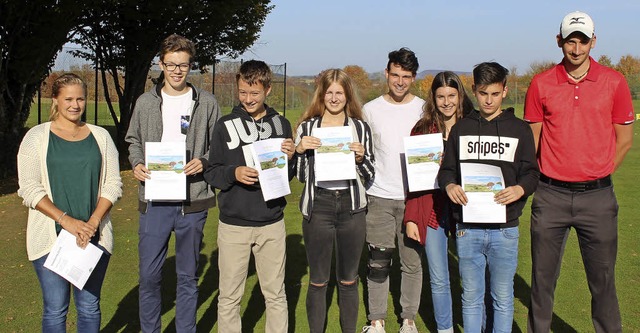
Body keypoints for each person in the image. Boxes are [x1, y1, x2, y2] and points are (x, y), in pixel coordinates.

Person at [524, 11, 634, 333]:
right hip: (550, 196)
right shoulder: (541, 83)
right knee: (542, 282)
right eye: (570, 40)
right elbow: (533, 141)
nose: (576, 48)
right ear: (559, 41)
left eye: (582, 41)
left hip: (597, 199)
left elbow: (624, 140)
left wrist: (596, 173)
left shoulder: (614, 81)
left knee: (603, 284)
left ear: (593, 42)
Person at [125, 34, 220, 332]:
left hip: (192, 201)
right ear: (161, 64)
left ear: (191, 66)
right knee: (150, 276)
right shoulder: (145, 102)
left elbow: (218, 147)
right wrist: (137, 163)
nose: (177, 71)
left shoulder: (206, 102)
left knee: (187, 277)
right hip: (154, 199)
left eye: (183, 65)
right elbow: (133, 141)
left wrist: (203, 161)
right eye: (171, 64)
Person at [438, 62, 539, 333]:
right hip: (468, 229)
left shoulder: (519, 129)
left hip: (504, 230)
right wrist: (449, 186)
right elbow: (446, 171)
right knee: (471, 298)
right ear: (474, 91)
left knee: (503, 298)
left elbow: (532, 173)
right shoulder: (461, 129)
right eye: (483, 94)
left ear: (505, 91)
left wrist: (519, 189)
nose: (489, 100)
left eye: (494, 93)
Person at [17, 73, 123, 332]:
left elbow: (113, 184)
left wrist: (93, 222)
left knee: (89, 307)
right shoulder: (36, 137)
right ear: (55, 99)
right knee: (55, 309)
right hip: (50, 239)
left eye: (81, 99)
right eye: (68, 99)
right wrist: (66, 221)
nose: (75, 105)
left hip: (92, 237)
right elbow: (29, 189)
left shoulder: (100, 137)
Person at [203, 60, 295, 333]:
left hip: (271, 223)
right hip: (234, 225)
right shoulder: (224, 124)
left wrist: (290, 158)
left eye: (254, 93)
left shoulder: (282, 124)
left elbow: (285, 177)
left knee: (275, 294)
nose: (248, 99)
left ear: (268, 89)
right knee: (230, 296)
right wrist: (234, 173)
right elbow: (212, 171)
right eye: (243, 92)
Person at [293, 69, 375, 333]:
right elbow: (302, 177)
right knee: (318, 281)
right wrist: (300, 150)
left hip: (351, 208)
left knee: (349, 281)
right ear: (322, 94)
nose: (334, 97)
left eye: (339, 92)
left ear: (348, 95)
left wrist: (361, 159)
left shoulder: (359, 128)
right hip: (319, 207)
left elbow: (371, 176)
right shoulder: (307, 128)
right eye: (329, 92)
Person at [361, 47, 426, 333]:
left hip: (414, 198)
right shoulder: (370, 109)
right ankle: (376, 321)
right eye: (395, 75)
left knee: (411, 263)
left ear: (414, 77)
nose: (400, 81)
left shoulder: (424, 108)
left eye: (406, 76)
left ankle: (408, 320)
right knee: (378, 262)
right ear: (386, 73)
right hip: (378, 197)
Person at [403, 71, 473, 333]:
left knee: (470, 278)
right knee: (439, 278)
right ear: (433, 98)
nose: (446, 102)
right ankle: (445, 329)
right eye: (441, 96)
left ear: (460, 96)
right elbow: (412, 180)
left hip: (467, 211)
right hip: (432, 211)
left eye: (452, 95)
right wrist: (411, 216)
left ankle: (474, 325)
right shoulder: (422, 130)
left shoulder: (472, 126)